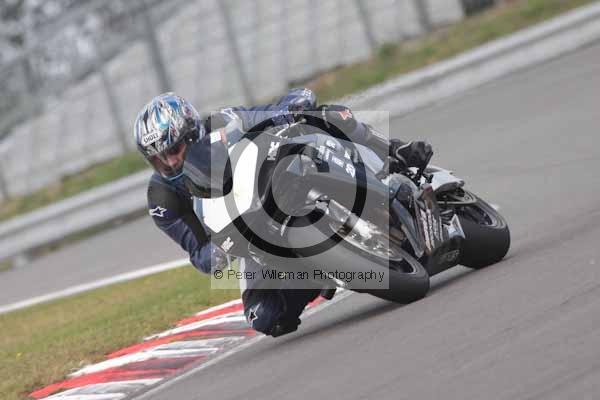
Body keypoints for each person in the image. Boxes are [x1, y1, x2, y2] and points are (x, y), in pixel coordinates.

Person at [134, 88, 432, 337]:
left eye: (173, 150)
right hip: (244, 231)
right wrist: (218, 253)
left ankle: (393, 151)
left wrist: (291, 106)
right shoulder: (162, 198)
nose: (169, 162)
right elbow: (198, 252)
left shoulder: (223, 122)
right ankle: (323, 270)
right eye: (159, 158)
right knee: (264, 316)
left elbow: (265, 113)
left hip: (276, 178)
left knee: (325, 115)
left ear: (191, 133)